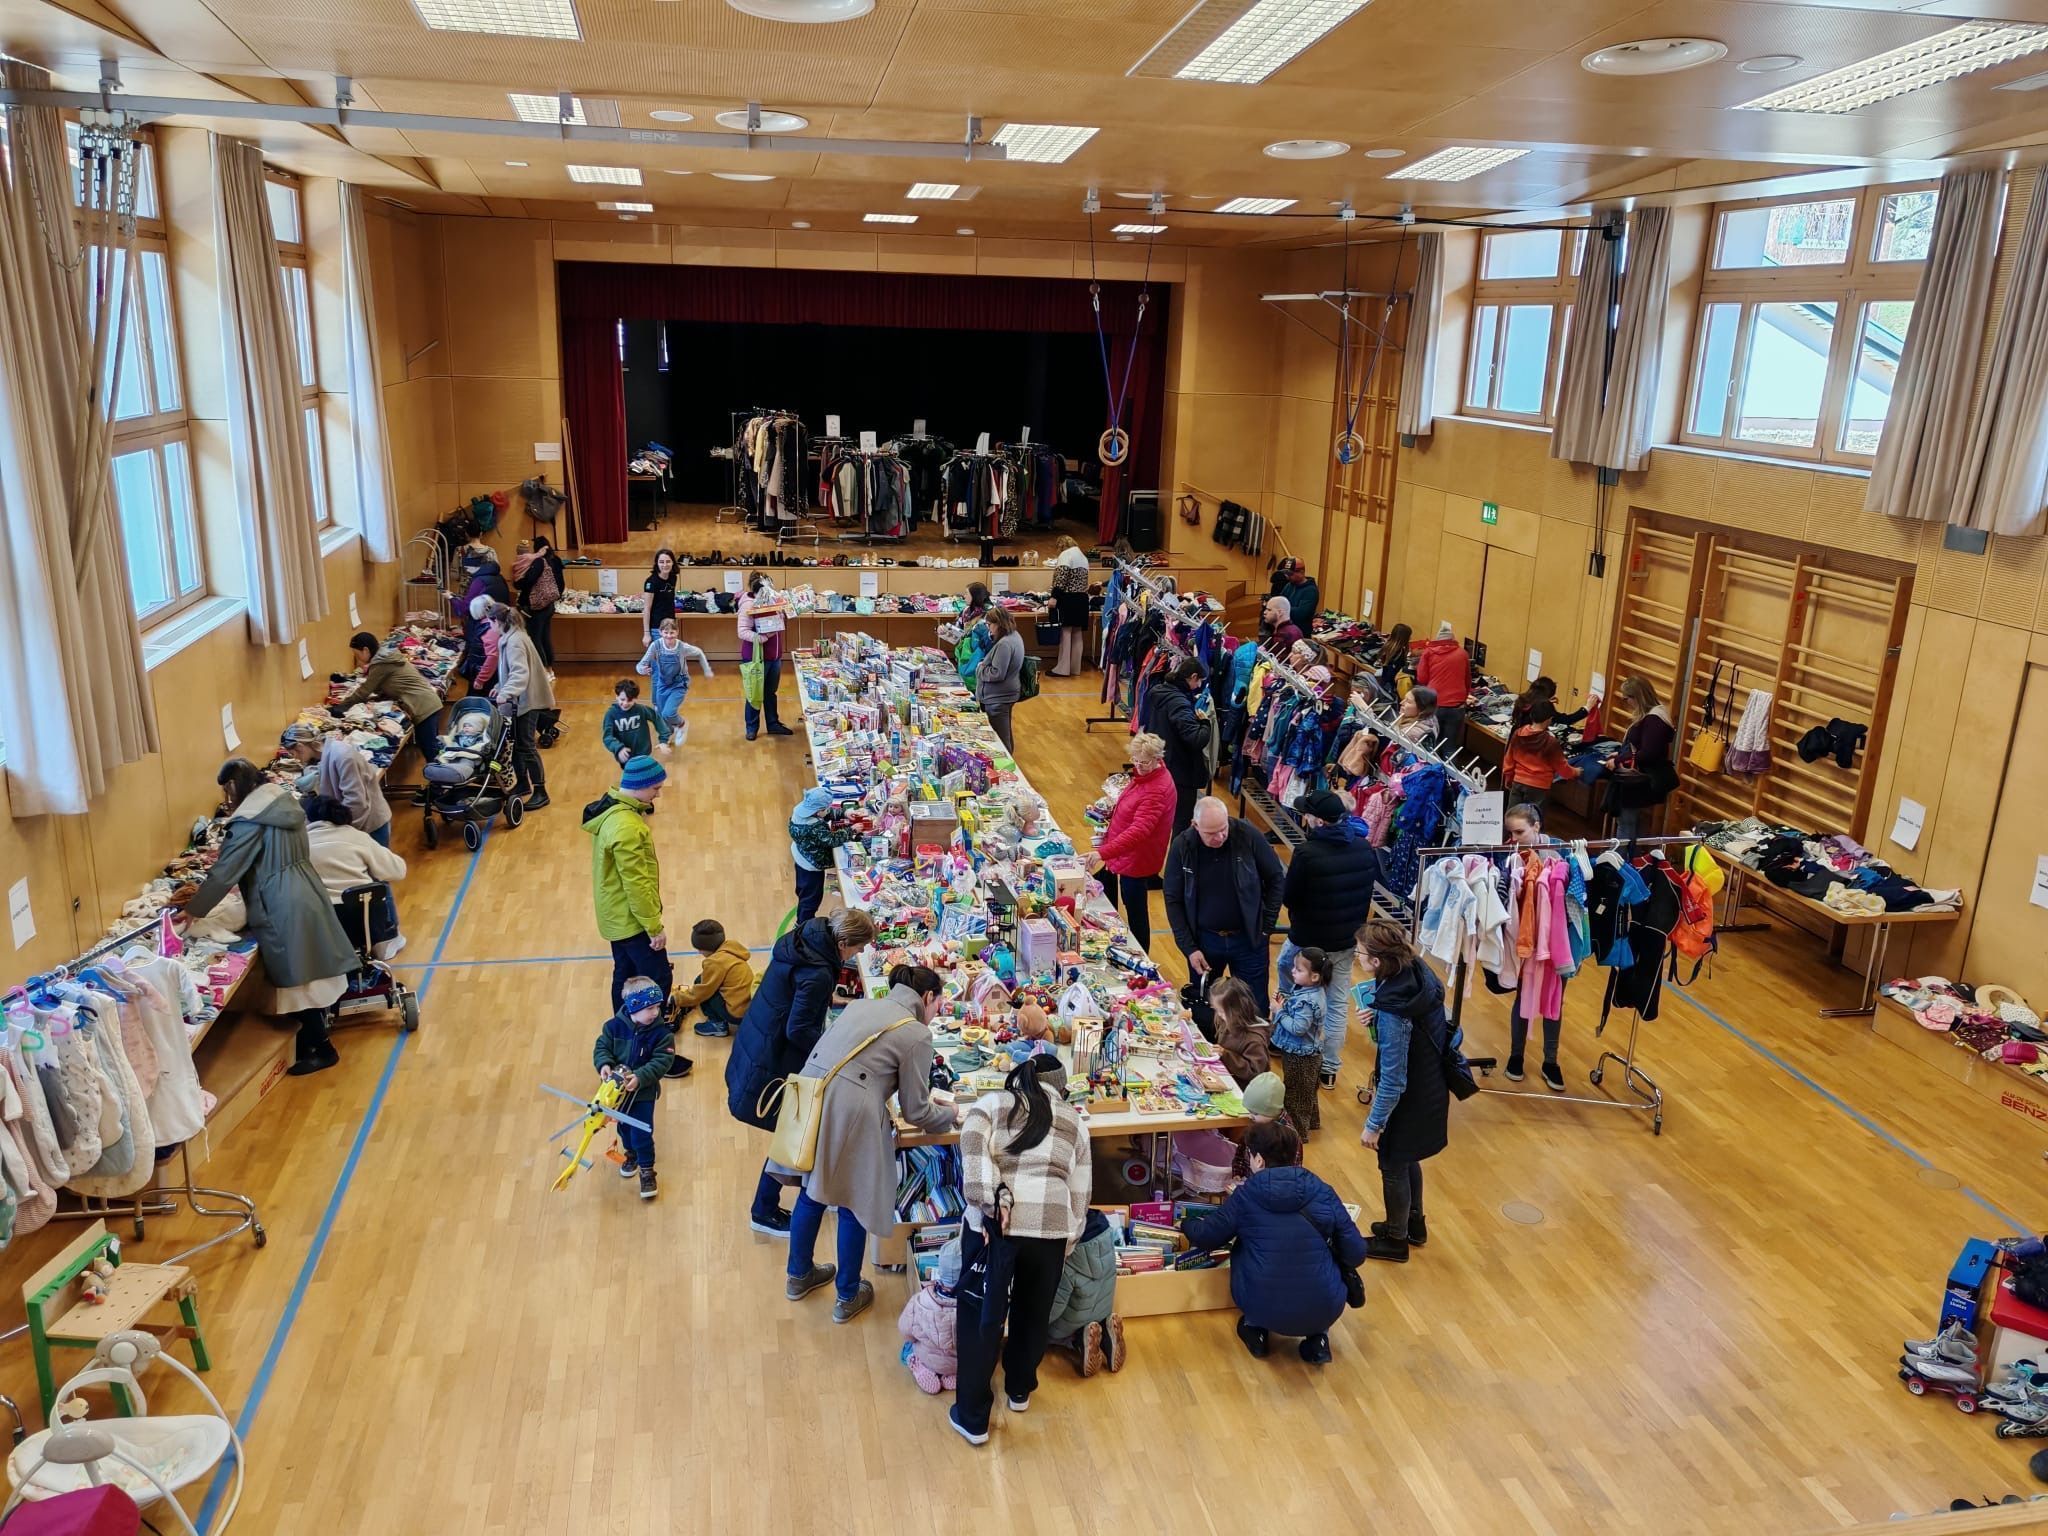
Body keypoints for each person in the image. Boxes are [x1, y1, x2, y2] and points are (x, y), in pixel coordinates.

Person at [784, 964, 960, 1325]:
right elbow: (916, 1111)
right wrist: (950, 1114)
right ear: (927, 997)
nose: (936, 1013)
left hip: (811, 1094)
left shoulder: (860, 1005)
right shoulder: (916, 1033)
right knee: (853, 1201)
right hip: (851, 1111)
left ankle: (798, 1275)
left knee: (812, 1190)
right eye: (938, 1006)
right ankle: (848, 1295)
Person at [184, 759, 359, 1077]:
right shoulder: (284, 804)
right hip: (305, 887)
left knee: (298, 977)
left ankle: (322, 1049)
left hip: (279, 901)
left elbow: (225, 872)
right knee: (312, 968)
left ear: (233, 787)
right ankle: (313, 1040)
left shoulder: (250, 821)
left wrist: (193, 910)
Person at [950, 1055, 1092, 1446]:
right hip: (1051, 1228)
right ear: (1061, 1088)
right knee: (1033, 1313)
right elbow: (1080, 1195)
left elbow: (971, 1142)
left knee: (981, 1316)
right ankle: (1019, 1389)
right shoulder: (1075, 1122)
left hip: (996, 1228)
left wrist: (991, 1198)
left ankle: (973, 1418)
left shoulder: (993, 1104)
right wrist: (1067, 1240)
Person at [727, 907, 877, 1237]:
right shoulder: (818, 973)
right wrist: (836, 1051)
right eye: (858, 947)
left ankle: (811, 1192)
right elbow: (799, 1029)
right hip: (775, 1062)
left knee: (799, 1130)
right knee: (795, 1132)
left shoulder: (805, 941)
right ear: (843, 943)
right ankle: (764, 1209)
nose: (859, 954)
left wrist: (828, 1001)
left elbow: (796, 995)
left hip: (759, 1041)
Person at [1183, 1118, 1366, 1366]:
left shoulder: (1247, 1195)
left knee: (1244, 1248)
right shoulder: (1322, 1190)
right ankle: (1318, 1339)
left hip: (1260, 1303)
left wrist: (1186, 1222)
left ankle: (1255, 1330)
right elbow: (1356, 1253)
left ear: (1259, 1160)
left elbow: (1207, 1236)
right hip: (1326, 1306)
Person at [1358, 919, 1454, 1263]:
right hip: (1430, 1083)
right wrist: (1378, 1015)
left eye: (1360, 953)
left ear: (1377, 961)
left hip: (1408, 1095)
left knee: (1393, 1161)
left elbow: (1394, 1078)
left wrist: (1374, 1124)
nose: (1357, 957)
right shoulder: (1416, 973)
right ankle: (1413, 1224)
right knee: (1408, 1155)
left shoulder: (1393, 1010)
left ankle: (1395, 1240)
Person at [1278, 788, 1381, 1089]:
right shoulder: (1364, 848)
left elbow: (1289, 897)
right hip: (1345, 942)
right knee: (1337, 1004)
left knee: (1286, 973)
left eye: (1307, 814)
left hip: (1307, 940)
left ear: (1319, 821)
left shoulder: (1306, 854)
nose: (1305, 818)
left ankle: (1288, 1035)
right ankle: (1330, 1068)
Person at [1161, 796, 1285, 1012]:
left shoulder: (1248, 836)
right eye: (1211, 833)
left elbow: (1276, 877)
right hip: (1205, 942)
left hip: (1249, 939)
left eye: (1223, 829)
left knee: (1254, 1007)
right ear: (1195, 825)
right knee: (1206, 1007)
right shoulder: (1182, 846)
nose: (1219, 837)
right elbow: (1173, 899)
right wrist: (1189, 948)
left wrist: (1266, 926)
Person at [583, 753, 678, 1026]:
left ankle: (623, 1030)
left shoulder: (613, 812)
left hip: (615, 915)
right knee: (657, 979)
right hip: (632, 920)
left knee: (624, 974)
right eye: (655, 788)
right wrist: (653, 927)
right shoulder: (626, 826)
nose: (658, 794)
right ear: (640, 785)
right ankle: (648, 1035)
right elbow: (636, 883)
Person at [1084, 732, 1174, 954]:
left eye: (1144, 762)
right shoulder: (1148, 776)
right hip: (1125, 854)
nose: (1139, 766)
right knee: (1113, 898)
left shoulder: (1157, 790)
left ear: (1157, 758)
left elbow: (1139, 831)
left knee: (1135, 911)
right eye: (1135, 760)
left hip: (1135, 859)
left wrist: (1103, 852)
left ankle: (1141, 955)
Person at [591, 975, 676, 1203]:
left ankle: (647, 1170)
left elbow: (663, 1061)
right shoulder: (612, 1028)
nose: (655, 1013)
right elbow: (601, 1048)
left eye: (657, 1007)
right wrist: (604, 1064)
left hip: (643, 1094)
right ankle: (632, 1154)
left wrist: (640, 1077)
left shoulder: (662, 1034)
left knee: (641, 1132)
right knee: (624, 1129)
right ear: (633, 1008)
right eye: (650, 1008)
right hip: (617, 1096)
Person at [1503, 803, 1567, 1092]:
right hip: (1526, 938)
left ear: (1537, 827)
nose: (1514, 838)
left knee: (1554, 999)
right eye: (1511, 833)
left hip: (1556, 940)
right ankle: (1516, 1056)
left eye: (1520, 832)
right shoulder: (1510, 855)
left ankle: (1550, 1061)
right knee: (1523, 995)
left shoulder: (1563, 854)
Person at [301, 794, 408, 959]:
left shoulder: (300, 846)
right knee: (376, 887)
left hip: (326, 926)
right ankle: (385, 942)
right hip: (367, 921)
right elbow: (397, 870)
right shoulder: (357, 837)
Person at [336, 632, 445, 765]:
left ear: (365, 650)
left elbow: (364, 691)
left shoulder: (381, 664)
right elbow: (388, 685)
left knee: (430, 750)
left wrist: (340, 707)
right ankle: (440, 772)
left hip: (423, 706)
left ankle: (440, 775)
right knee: (430, 747)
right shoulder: (386, 658)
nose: (358, 660)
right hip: (427, 702)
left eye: (357, 655)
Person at [281, 722, 392, 847]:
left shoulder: (343, 757)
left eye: (293, 754)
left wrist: (340, 835)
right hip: (352, 824)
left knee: (376, 860)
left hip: (369, 826)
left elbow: (356, 802)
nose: (295, 758)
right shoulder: (320, 757)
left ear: (300, 747)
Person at [489, 604, 555, 810]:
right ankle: (523, 783)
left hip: (528, 701)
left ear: (496, 621)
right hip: (521, 700)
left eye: (489, 622)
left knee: (526, 746)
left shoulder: (514, 642)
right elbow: (509, 671)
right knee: (517, 743)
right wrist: (499, 687)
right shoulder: (513, 637)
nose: (489, 626)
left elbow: (520, 673)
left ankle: (541, 791)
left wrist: (506, 693)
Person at [1045, 1209, 1124, 1377]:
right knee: (1092, 1314)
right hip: (1103, 1309)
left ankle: (1080, 1343)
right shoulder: (1107, 1241)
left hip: (1074, 1320)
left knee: (1051, 1333)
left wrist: (1038, 1321)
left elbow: (1056, 1306)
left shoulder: (1069, 1260)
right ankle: (1106, 1334)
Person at [1141, 657, 1212, 834]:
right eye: (1199, 681)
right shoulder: (1179, 703)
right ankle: (1178, 852)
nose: (1199, 686)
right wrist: (1205, 724)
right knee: (1182, 821)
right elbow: (1196, 738)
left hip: (1161, 763)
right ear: (1193, 676)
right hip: (1180, 770)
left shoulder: (1158, 692)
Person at [1270, 947, 1330, 1135]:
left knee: (1295, 1094)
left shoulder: (1308, 1001)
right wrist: (1284, 1002)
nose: (1293, 971)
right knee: (1307, 1091)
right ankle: (1311, 1123)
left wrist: (1279, 1011)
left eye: (1299, 969)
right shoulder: (1311, 991)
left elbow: (1298, 1028)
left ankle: (1295, 1134)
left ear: (1314, 976)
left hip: (1300, 1056)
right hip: (1309, 1053)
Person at [1613, 676, 1677, 843]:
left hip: (1641, 778)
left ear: (1637, 697)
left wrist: (1619, 760)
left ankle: (1620, 858)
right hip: (1642, 775)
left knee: (1626, 823)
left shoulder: (1654, 720)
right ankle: (1630, 856)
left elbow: (1648, 753)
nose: (1626, 703)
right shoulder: (1654, 715)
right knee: (1630, 823)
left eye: (1626, 699)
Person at [789, 786, 864, 926]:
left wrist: (845, 813)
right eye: (826, 808)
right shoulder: (814, 827)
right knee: (811, 898)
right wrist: (851, 830)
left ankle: (803, 921)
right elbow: (831, 840)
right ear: (819, 810)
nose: (828, 810)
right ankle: (802, 926)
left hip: (801, 856)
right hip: (811, 865)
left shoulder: (802, 812)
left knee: (803, 891)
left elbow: (825, 814)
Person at [635, 616, 713, 751]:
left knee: (668, 713)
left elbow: (699, 652)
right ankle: (667, 736)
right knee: (660, 713)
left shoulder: (682, 647)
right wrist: (642, 670)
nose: (669, 636)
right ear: (660, 632)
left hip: (679, 684)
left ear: (677, 632)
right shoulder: (656, 646)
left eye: (672, 632)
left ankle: (682, 725)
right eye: (666, 632)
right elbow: (640, 665)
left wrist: (707, 670)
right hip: (663, 684)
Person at [899, 1239, 963, 1394]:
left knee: (907, 1347)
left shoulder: (921, 1299)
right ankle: (953, 1374)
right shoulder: (974, 1304)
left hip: (929, 1357)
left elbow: (904, 1329)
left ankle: (918, 1364)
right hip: (962, 1362)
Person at [674, 918, 755, 1039]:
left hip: (736, 1013)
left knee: (704, 988)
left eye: (700, 949)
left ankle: (718, 1025)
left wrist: (676, 999)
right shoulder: (730, 948)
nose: (699, 952)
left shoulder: (715, 963)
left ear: (706, 949)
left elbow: (702, 992)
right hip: (749, 1006)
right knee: (702, 979)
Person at [1503, 695, 1580, 811]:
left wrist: (1508, 778)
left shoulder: (1518, 733)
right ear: (1549, 719)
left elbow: (1509, 759)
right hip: (1539, 787)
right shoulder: (1550, 742)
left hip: (1518, 781)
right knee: (1534, 818)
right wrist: (1575, 772)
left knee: (1512, 816)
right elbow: (1561, 767)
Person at [738, 572, 791, 740]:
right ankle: (751, 727)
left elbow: (779, 621)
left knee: (770, 692)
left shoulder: (774, 600)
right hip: (756, 657)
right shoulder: (748, 604)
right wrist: (763, 638)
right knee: (754, 694)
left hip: (774, 656)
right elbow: (742, 631)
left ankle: (773, 724)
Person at [1228, 1072, 1299, 1186]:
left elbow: (1290, 1176)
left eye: (1255, 1113)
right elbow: (1242, 1149)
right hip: (1249, 1182)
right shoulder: (1258, 1121)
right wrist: (1238, 1172)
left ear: (1270, 1111)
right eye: (1249, 1111)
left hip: (1268, 1190)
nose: (1250, 1116)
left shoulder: (1288, 1137)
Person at [975, 605, 1027, 755]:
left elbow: (997, 673)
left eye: (989, 625)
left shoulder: (1004, 644)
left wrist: (980, 668)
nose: (988, 629)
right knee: (1005, 733)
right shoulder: (1014, 636)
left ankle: (1005, 763)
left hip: (998, 697)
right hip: (1005, 694)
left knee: (1001, 738)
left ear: (998, 624)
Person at [1413, 622, 1471, 747]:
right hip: (1456, 705)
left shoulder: (1428, 653)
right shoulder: (1462, 653)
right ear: (1452, 638)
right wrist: (1464, 698)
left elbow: (1422, 678)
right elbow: (1467, 680)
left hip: (1435, 703)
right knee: (1450, 746)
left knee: (1432, 744)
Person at [511, 535, 564, 671]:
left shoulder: (539, 562)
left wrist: (517, 583)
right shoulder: (556, 560)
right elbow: (561, 584)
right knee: (545, 637)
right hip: (549, 604)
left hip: (537, 606)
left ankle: (543, 669)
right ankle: (549, 668)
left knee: (535, 638)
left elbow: (528, 582)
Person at [1208, 975, 1270, 1089]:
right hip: (1226, 1077)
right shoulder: (1228, 1020)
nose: (1219, 1015)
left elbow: (1254, 1072)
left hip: (1242, 1090)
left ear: (1236, 1011)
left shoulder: (1255, 1040)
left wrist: (1226, 1055)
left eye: (1222, 1011)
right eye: (1216, 1010)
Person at [1048, 537, 1091, 677]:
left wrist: (1054, 596)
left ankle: (1062, 669)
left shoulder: (1066, 555)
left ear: (1061, 546)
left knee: (1065, 632)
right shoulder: (1083, 557)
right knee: (1077, 633)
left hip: (1069, 598)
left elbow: (1061, 578)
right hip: (1082, 599)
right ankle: (1075, 668)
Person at [601, 678, 663, 765]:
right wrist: (618, 748)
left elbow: (657, 719)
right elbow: (607, 737)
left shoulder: (641, 710)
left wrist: (663, 740)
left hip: (644, 754)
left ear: (635, 698)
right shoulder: (611, 714)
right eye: (622, 699)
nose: (625, 703)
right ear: (617, 697)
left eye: (629, 700)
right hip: (625, 757)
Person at [641, 547, 680, 643]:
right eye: (661, 562)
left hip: (671, 625)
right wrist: (646, 634)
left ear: (673, 563)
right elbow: (647, 609)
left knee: (671, 652)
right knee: (659, 652)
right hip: (656, 628)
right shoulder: (651, 582)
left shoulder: (673, 578)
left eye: (668, 561)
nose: (665, 565)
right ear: (657, 564)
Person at [1269, 558, 1320, 632]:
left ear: (1301, 572)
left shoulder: (1311, 590)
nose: (1287, 576)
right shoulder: (1289, 585)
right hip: (1284, 630)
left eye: (1290, 574)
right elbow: (1280, 602)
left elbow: (1300, 614)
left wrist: (1280, 609)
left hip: (1300, 633)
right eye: (1286, 573)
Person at [1375, 622, 1413, 701]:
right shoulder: (1399, 652)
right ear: (1404, 638)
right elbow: (1395, 671)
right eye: (1409, 636)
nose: (1410, 638)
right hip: (1392, 684)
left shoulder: (1388, 646)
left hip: (1384, 681)